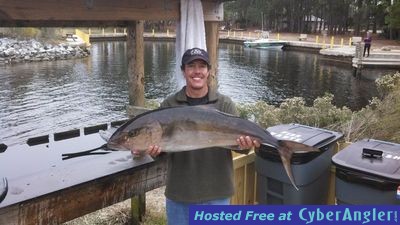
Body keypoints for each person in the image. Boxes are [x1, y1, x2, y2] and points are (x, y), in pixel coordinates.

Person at [132, 47, 260, 225]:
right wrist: (152, 151)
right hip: (180, 194)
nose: (197, 71)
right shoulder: (170, 104)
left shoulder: (224, 104)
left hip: (217, 193)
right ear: (183, 70)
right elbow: (162, 151)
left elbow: (241, 145)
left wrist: (246, 145)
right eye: (191, 66)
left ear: (209, 71)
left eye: (202, 66)